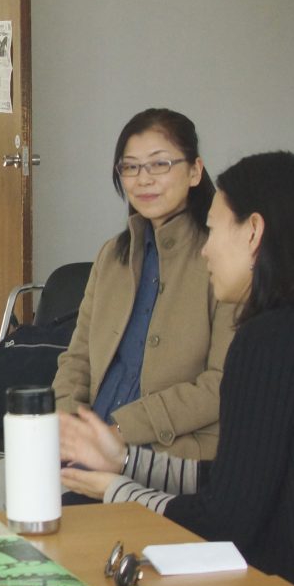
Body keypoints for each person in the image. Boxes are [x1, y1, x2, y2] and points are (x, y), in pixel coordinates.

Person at [60, 151, 294, 586]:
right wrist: (126, 461)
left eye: (213, 230)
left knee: (82, 568)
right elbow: (243, 478)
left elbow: (222, 524)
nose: (205, 250)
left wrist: (116, 490)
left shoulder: (271, 344)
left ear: (253, 231)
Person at [53, 108, 237, 464]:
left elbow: (221, 383)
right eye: (130, 167)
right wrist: (69, 423)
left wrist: (118, 432)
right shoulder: (112, 256)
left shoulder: (221, 261)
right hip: (87, 442)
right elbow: (77, 358)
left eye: (159, 164)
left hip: (169, 454)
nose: (143, 179)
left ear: (195, 171)